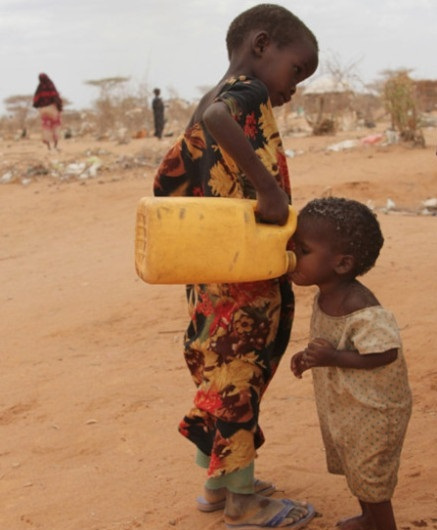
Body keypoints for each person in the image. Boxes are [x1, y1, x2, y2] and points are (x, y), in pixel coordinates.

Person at [152, 4, 318, 528]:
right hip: (241, 276)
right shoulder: (242, 96)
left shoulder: (211, 98)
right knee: (240, 376)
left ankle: (218, 485)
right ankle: (244, 501)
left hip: (212, 269)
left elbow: (173, 178)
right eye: (297, 71)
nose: (293, 88)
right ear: (262, 44)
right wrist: (268, 193)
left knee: (220, 374)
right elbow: (217, 121)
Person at [290, 197, 412, 530]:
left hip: (375, 410)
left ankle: (383, 524)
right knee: (358, 469)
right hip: (349, 406)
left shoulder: (361, 305)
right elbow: (333, 342)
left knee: (371, 476)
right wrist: (310, 357)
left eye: (302, 250)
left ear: (342, 264)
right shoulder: (326, 292)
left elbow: (385, 352)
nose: (291, 256)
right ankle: (369, 518)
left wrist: (330, 358)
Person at [32, 73, 63, 150]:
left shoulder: (39, 87)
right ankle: (55, 145)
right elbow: (56, 96)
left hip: (43, 109)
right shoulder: (51, 85)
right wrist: (59, 107)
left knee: (46, 127)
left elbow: (36, 100)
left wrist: (39, 105)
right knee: (55, 126)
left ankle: (48, 146)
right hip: (52, 108)